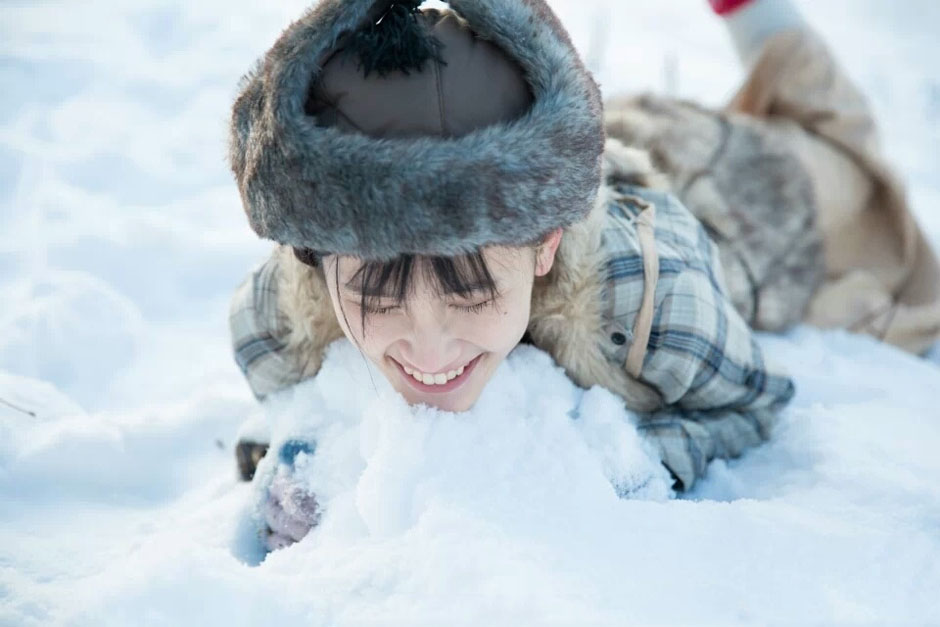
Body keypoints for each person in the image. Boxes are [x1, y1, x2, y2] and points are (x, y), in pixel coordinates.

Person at [226, 0, 940, 552]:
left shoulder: (655, 302)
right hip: (565, 149)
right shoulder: (282, 319)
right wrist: (304, 453)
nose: (429, 345)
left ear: (543, 246)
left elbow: (748, 404)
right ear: (316, 259)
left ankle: (765, 23)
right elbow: (278, 413)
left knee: (843, 167)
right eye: (376, 296)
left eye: (472, 290)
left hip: (732, 202)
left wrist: (641, 458)